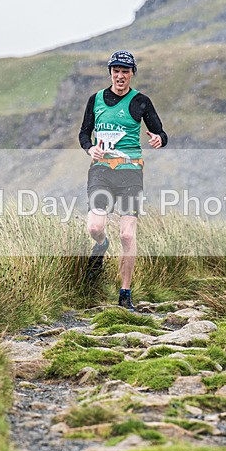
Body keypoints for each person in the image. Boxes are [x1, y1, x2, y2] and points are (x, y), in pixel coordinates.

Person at [78, 50, 168, 311]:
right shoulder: (95, 100)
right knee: (95, 227)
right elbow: (84, 133)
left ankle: (124, 293)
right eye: (116, 71)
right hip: (101, 172)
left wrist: (159, 139)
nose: (120, 76)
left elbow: (160, 132)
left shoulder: (141, 101)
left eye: (125, 71)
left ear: (131, 74)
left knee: (127, 234)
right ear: (110, 73)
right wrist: (90, 148)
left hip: (130, 174)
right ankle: (101, 245)